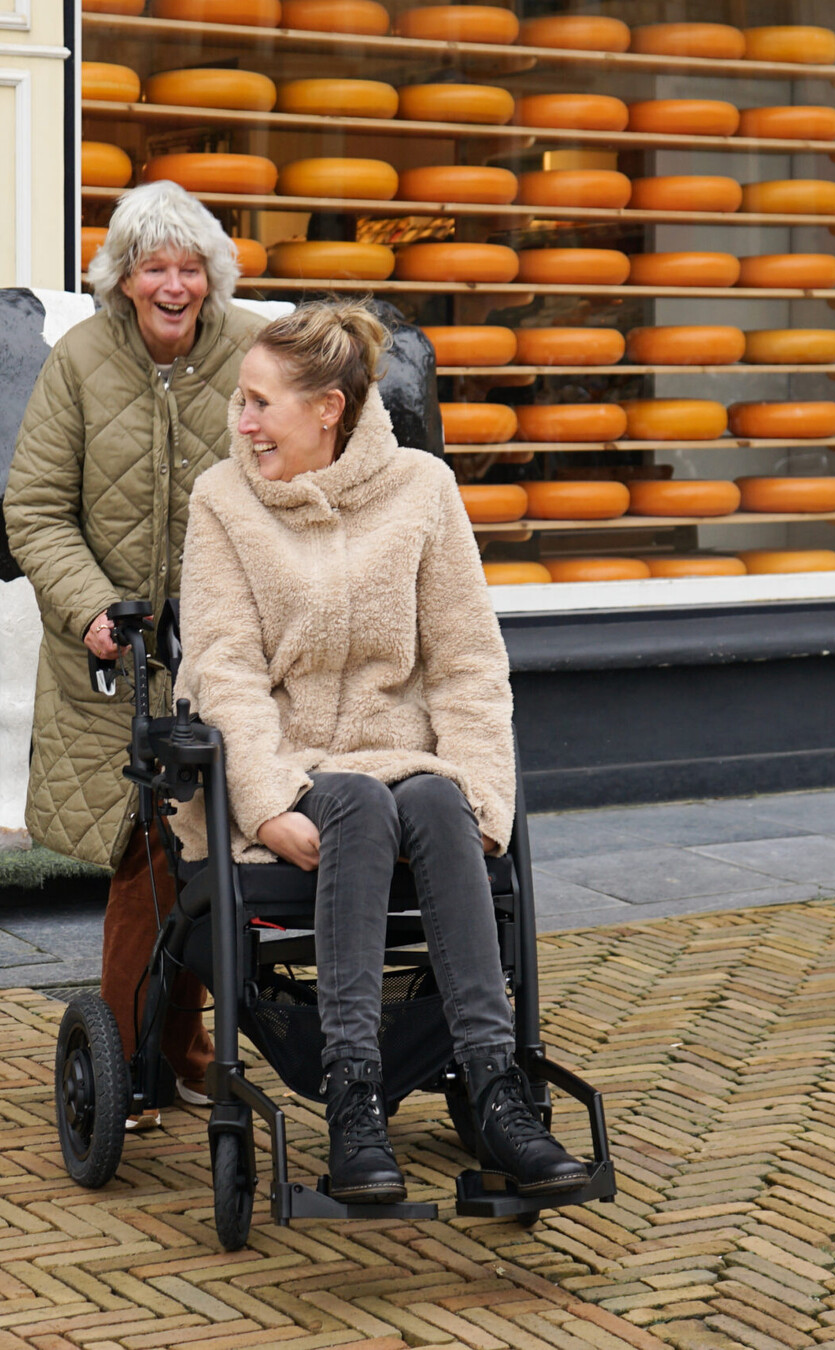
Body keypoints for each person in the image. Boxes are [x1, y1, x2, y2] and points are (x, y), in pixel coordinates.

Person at [174, 299, 588, 1203]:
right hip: (292, 764)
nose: (240, 423)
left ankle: (496, 1087)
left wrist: (484, 795)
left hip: (410, 764)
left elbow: (469, 663)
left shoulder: (423, 491)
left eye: (258, 404)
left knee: (440, 804)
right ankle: (353, 1101)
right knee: (359, 802)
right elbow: (223, 671)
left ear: (328, 408)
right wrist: (269, 802)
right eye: (240, 404)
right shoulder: (222, 500)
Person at [4, 181, 269, 1129]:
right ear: (122, 278)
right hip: (111, 659)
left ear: (212, 277)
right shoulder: (77, 361)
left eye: (189, 267)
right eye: (153, 266)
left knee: (205, 850)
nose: (173, 285)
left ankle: (173, 1050)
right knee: (143, 853)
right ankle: (128, 1064)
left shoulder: (249, 355)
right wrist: (87, 612)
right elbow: (32, 509)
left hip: (226, 651)